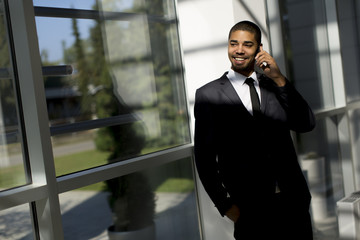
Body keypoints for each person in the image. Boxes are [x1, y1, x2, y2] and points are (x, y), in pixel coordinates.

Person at [194, 20, 315, 239]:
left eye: (247, 44)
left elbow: (306, 123)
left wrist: (278, 77)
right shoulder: (208, 95)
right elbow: (204, 159)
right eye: (233, 43)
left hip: (293, 204)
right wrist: (226, 206)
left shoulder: (274, 85)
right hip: (249, 211)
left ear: (259, 49)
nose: (239, 50)